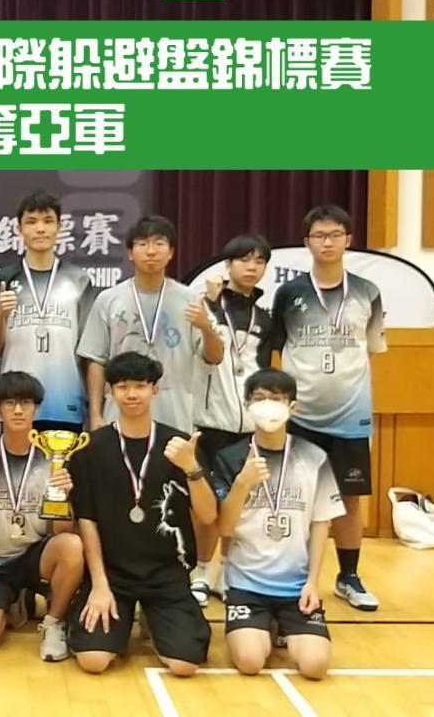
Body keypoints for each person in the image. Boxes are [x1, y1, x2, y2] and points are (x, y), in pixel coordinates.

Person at [260, 205, 387, 611]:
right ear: (306, 242)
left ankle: (348, 577)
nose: (327, 242)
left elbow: (373, 347)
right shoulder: (290, 294)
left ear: (348, 239)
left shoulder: (367, 292)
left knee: (349, 499)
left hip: (351, 415)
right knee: (295, 496)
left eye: (335, 234)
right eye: (319, 235)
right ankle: (294, 577)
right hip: (300, 415)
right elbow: (275, 351)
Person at [66, 351, 216, 676]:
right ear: (110, 391)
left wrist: (191, 468)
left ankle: (154, 615)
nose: (131, 394)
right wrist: (99, 584)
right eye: (122, 387)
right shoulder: (90, 447)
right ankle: (115, 619)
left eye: (140, 386)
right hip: (113, 574)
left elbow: (207, 515)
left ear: (155, 390)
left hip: (166, 573)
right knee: (93, 660)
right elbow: (87, 521)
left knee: (184, 665)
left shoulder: (179, 444)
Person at [212, 368, 341, 680]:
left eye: (276, 399)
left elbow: (321, 524)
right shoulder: (230, 457)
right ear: (247, 404)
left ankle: (281, 623)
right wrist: (242, 484)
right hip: (246, 585)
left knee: (315, 666)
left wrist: (313, 583)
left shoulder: (315, 457)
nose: (267, 405)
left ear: (292, 406)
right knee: (250, 662)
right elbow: (224, 528)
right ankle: (263, 625)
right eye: (259, 398)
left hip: (296, 587)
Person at [0, 371, 84, 661]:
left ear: (36, 408)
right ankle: (14, 602)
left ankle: (52, 623)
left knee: (72, 546)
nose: (18, 410)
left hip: (35, 556)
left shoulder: (55, 456)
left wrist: (63, 496)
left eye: (26, 403)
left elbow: (62, 531)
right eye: (10, 403)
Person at [188, 233, 275, 606]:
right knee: (204, 508)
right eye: (244, 259)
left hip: (248, 429)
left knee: (237, 506)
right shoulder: (207, 304)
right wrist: (209, 303)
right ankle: (200, 571)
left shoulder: (265, 318)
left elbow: (264, 371)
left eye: (259, 261)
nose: (252, 267)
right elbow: (207, 353)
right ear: (228, 265)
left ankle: (225, 572)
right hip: (209, 424)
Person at [78, 215, 224, 435]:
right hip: (119, 412)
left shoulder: (190, 299)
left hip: (174, 413)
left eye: (159, 243)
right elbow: (96, 360)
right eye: (143, 243)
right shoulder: (108, 299)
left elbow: (215, 357)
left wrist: (205, 327)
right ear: (130, 252)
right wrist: (96, 415)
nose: (151, 251)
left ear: (171, 252)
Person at [0, 190, 97, 432]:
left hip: (66, 400)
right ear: (19, 228)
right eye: (32, 222)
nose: (40, 229)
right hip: (15, 403)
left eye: (48, 221)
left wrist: (96, 409)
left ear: (59, 227)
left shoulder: (78, 280)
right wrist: (1, 315)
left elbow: (89, 350)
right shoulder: (3, 280)